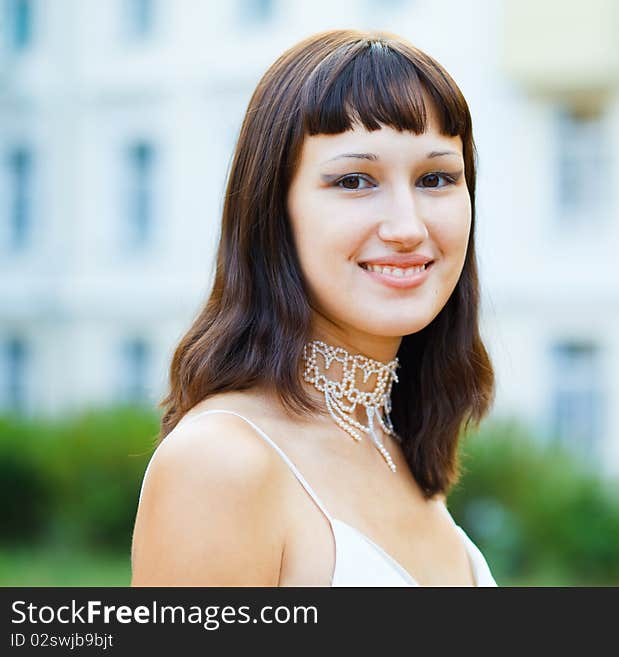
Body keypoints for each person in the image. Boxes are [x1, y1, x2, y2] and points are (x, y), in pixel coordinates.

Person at [130, 29, 497, 587]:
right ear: (273, 210)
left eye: (436, 178)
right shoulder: (221, 463)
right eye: (355, 180)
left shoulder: (400, 445)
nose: (407, 227)